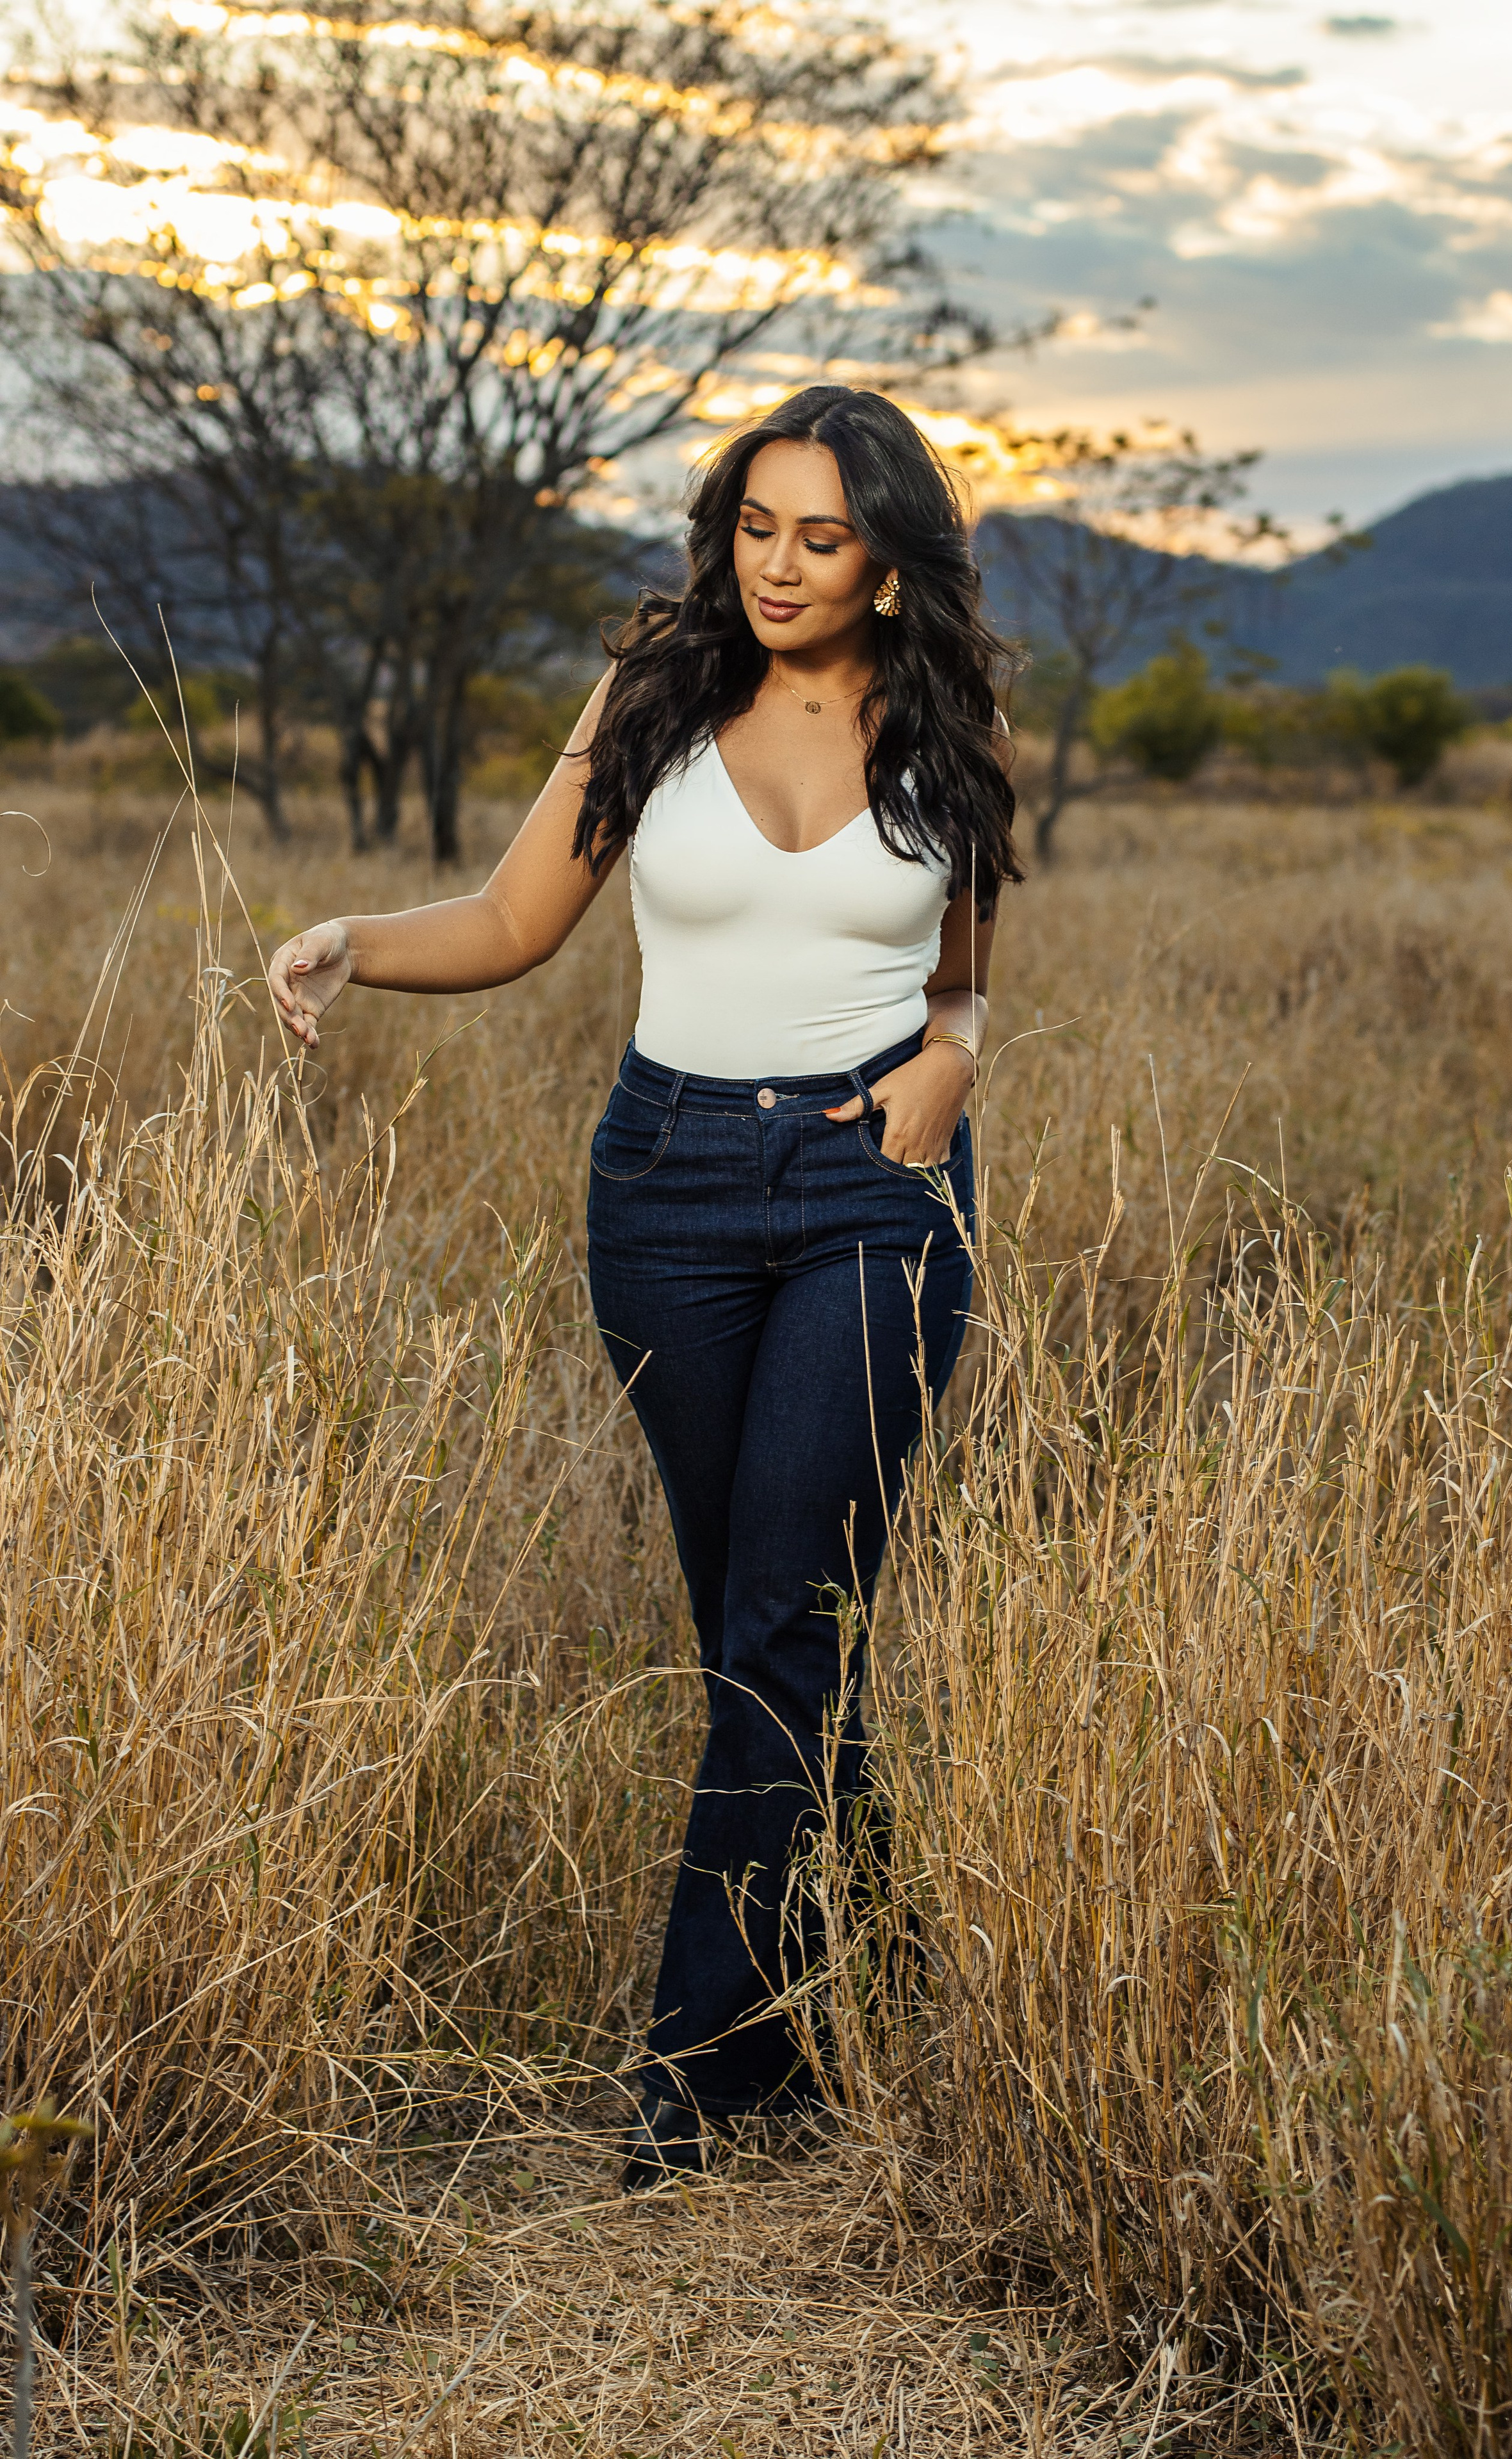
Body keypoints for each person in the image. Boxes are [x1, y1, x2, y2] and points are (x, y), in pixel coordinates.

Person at [267, 384, 1021, 2187]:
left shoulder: (949, 725)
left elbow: (965, 978)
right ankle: (864, 1978)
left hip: (872, 1193)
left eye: (823, 537)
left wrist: (957, 1059)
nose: (779, 565)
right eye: (756, 527)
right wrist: (355, 943)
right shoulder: (654, 697)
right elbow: (518, 922)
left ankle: (691, 2082)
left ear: (891, 561)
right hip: (666, 1192)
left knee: (782, 1629)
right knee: (768, 1636)